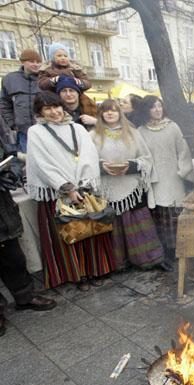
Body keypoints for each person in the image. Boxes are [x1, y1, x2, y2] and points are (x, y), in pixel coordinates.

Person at [26, 91, 116, 289]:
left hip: (83, 188)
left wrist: (84, 185)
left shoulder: (77, 128)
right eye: (47, 109)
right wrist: (66, 188)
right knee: (69, 233)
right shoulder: (36, 132)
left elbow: (89, 156)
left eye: (56, 107)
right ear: (40, 112)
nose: (54, 112)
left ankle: (96, 270)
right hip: (57, 192)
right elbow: (42, 164)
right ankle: (77, 275)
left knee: (91, 229)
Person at [91, 99, 167, 271]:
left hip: (132, 187)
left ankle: (148, 259)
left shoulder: (132, 133)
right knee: (115, 226)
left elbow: (146, 158)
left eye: (114, 110)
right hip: (108, 187)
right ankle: (119, 263)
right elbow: (87, 163)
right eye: (106, 110)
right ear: (101, 114)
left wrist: (131, 166)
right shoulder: (93, 136)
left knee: (139, 223)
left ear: (120, 113)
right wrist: (102, 167)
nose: (110, 113)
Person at [0, 146, 56, 337]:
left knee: (14, 259)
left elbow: (10, 157)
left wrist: (11, 173)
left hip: (3, 214)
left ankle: (25, 296)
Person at [137, 95, 194, 267]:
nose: (157, 110)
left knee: (175, 215)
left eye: (159, 106)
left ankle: (181, 250)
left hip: (173, 177)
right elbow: (141, 155)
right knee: (160, 217)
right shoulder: (141, 131)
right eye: (153, 107)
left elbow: (183, 151)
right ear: (146, 110)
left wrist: (183, 171)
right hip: (155, 179)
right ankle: (166, 254)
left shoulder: (173, 127)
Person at [0, 49, 42, 156]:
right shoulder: (10, 79)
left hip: (43, 129)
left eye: (38, 62)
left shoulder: (44, 79)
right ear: (23, 62)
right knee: (28, 161)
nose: (36, 64)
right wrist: (12, 123)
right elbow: (4, 104)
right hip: (23, 131)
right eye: (32, 61)